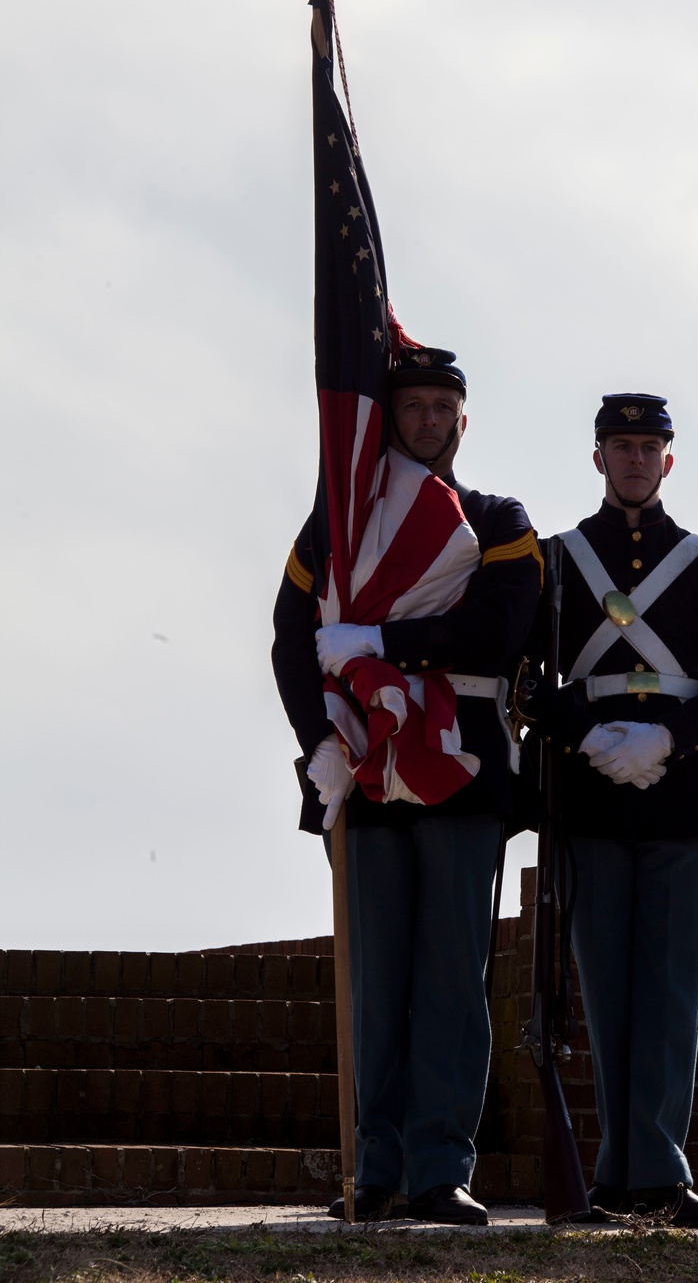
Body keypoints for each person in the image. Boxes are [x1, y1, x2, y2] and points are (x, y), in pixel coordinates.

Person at [272, 347, 542, 1226]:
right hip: (367, 765)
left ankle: (440, 1166)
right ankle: (374, 1168)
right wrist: (318, 738)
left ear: (463, 422)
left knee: (452, 978)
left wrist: (381, 646)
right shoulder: (335, 530)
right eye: (413, 405)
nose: (426, 420)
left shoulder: (500, 519)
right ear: (390, 417)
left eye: (441, 407)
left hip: (460, 763)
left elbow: (497, 630)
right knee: (377, 977)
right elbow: (290, 637)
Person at [550, 392, 698, 1227]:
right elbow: (532, 678)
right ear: (597, 457)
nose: (635, 459)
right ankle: (612, 1172)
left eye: (649, 447)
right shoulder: (556, 561)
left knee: (671, 990)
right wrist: (593, 738)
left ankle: (661, 1172)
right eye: (620, 445)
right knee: (605, 988)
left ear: (668, 461)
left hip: (678, 790)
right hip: (592, 787)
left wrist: (664, 739)